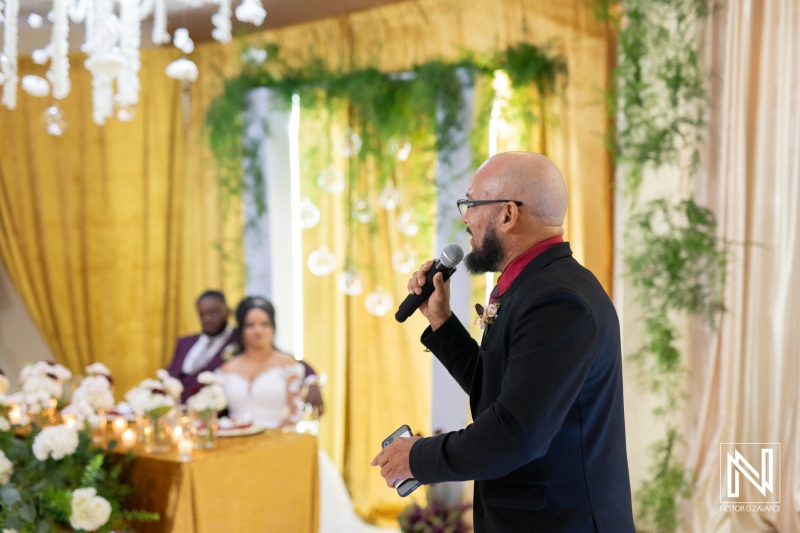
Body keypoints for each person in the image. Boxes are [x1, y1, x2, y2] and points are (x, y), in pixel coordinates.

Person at [371, 152, 635, 532]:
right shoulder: (536, 286)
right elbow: (501, 395)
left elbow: (515, 433)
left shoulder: (558, 301)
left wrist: (418, 458)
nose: (465, 219)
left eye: (471, 204)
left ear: (509, 215)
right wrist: (441, 322)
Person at [216, 296, 305, 428]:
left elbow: (295, 412)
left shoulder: (288, 365)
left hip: (278, 439)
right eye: (250, 325)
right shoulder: (225, 369)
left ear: (273, 328)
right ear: (241, 330)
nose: (258, 330)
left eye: (264, 324)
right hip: (236, 439)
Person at [168, 290, 237, 403]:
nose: (207, 319)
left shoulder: (238, 340)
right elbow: (171, 375)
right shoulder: (184, 342)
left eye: (213, 312)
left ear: (228, 311)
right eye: (202, 314)